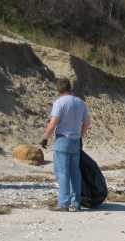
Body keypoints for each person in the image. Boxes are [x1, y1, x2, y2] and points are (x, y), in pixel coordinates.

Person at [41, 78, 91, 212]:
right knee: (75, 173)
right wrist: (80, 135)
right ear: (70, 88)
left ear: (59, 89)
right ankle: (76, 203)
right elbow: (87, 123)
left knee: (62, 173)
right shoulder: (81, 103)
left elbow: (53, 123)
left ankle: (63, 203)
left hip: (63, 140)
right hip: (76, 141)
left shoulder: (59, 102)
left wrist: (45, 137)